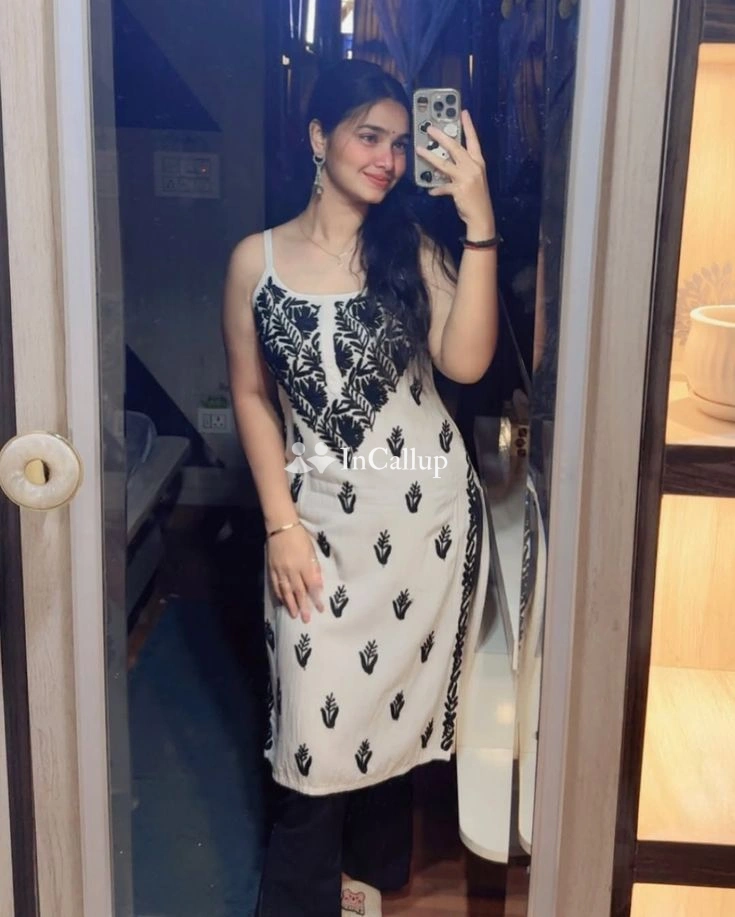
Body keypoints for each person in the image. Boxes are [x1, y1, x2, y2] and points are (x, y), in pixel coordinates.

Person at [223, 59, 498, 917]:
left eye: (400, 143)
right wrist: (279, 524)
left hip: (423, 525)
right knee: (312, 728)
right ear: (319, 137)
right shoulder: (256, 260)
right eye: (367, 136)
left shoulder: (410, 249)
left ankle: (370, 881)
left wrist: (478, 224)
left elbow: (465, 363)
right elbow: (251, 394)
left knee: (390, 706)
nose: (387, 158)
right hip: (313, 527)